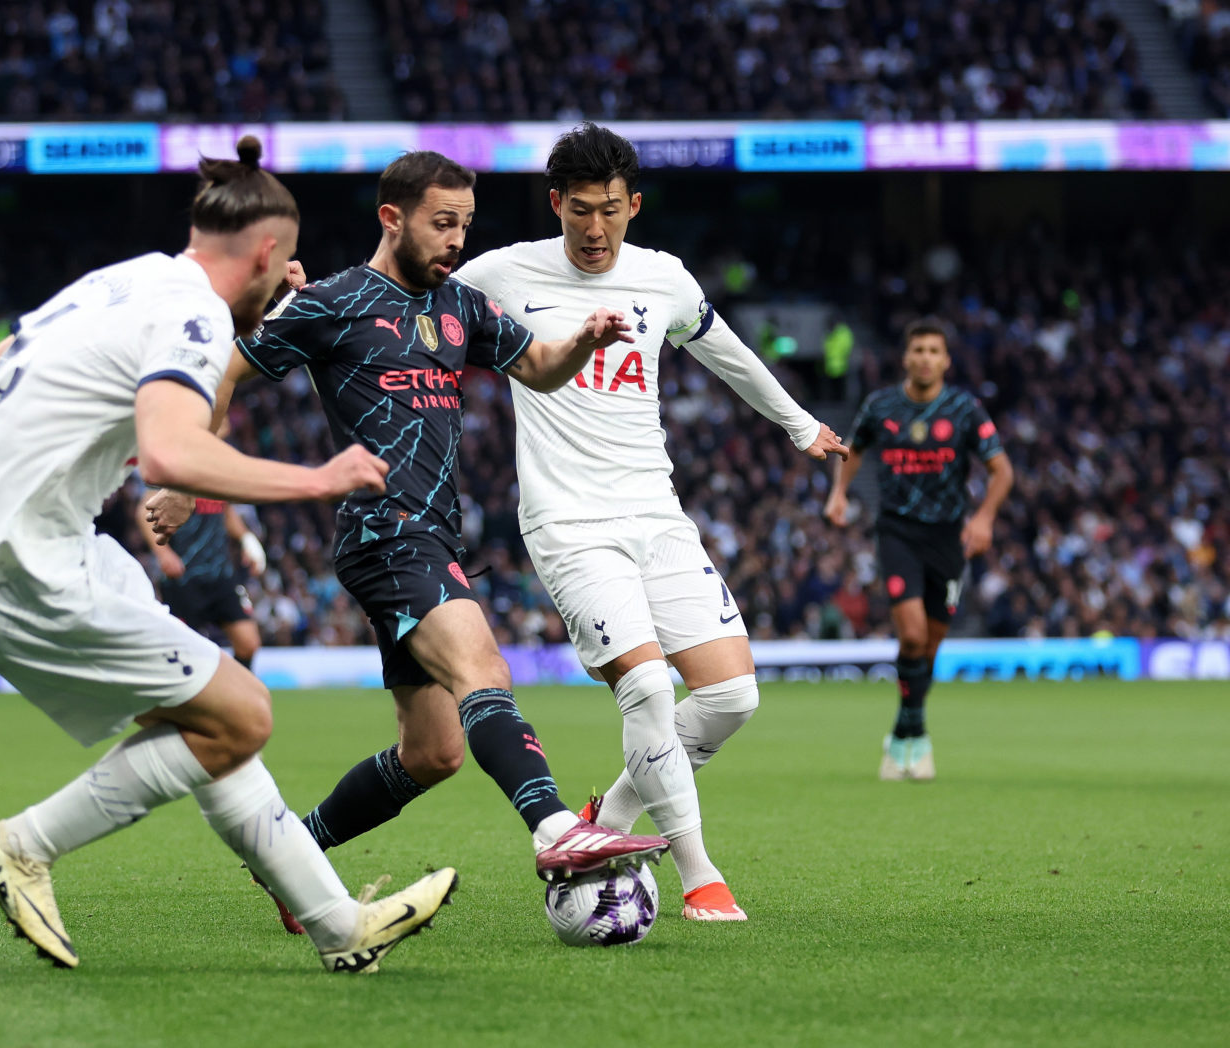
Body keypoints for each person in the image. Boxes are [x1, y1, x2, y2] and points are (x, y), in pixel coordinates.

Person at [0, 137, 456, 975]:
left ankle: (336, 926)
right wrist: (318, 478)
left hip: (30, 554)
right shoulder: (196, 314)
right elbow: (171, 455)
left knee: (206, 721)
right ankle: (23, 845)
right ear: (266, 253)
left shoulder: (123, 280)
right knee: (244, 713)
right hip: (24, 571)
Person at [148, 150, 670, 935]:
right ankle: (559, 828)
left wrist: (587, 340)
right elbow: (225, 369)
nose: (457, 238)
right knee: (482, 666)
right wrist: (188, 472)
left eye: (465, 223)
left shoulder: (461, 305)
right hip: (384, 532)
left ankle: (293, 858)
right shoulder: (333, 302)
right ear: (391, 218)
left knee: (433, 753)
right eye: (441, 223)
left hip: (434, 537)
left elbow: (539, 366)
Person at [454, 122, 846, 923]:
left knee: (732, 696)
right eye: (579, 213)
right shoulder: (500, 272)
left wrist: (800, 424)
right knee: (646, 688)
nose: (595, 231)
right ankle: (701, 876)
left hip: (655, 511)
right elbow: (400, 298)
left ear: (634, 204)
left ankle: (612, 821)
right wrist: (299, 294)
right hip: (568, 521)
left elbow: (727, 350)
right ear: (554, 203)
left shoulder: (662, 278)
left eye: (610, 211)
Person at [826, 316, 1013, 781]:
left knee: (928, 648)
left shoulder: (964, 409)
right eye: (918, 350)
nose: (925, 358)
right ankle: (917, 736)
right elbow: (854, 451)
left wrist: (985, 516)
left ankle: (905, 733)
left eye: (934, 351)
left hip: (948, 538)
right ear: (906, 358)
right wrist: (838, 493)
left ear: (946, 360)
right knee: (910, 635)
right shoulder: (882, 405)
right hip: (898, 533)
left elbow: (1002, 471)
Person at [136, 492, 265, 670]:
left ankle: (232, 694)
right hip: (183, 578)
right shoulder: (177, 470)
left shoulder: (216, 477)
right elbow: (144, 509)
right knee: (182, 651)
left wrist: (246, 538)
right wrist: (163, 553)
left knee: (248, 642)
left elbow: (225, 510)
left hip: (221, 575)